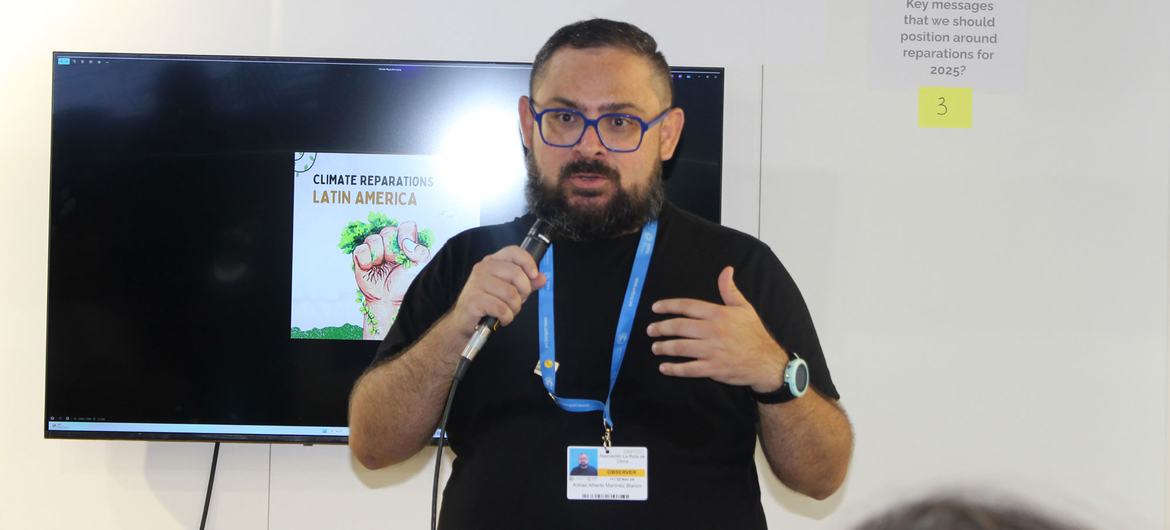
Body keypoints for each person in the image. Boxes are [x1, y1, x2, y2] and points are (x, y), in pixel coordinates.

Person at [349, 18, 853, 529]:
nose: (589, 146)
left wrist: (774, 371)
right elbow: (373, 446)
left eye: (619, 122)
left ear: (668, 135)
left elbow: (822, 475)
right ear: (528, 125)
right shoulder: (470, 263)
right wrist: (454, 329)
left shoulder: (738, 271)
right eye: (566, 117)